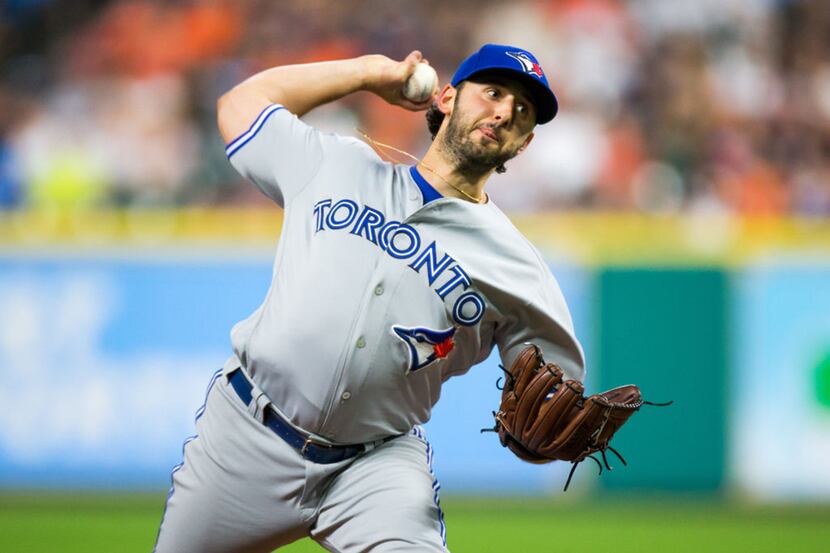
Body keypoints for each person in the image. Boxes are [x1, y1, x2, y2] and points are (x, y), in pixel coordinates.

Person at [154, 43, 585, 553]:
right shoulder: (335, 164)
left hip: (375, 467)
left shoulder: (518, 267)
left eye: (522, 111)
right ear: (447, 97)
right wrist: (365, 73)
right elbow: (239, 105)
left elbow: (558, 391)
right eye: (492, 93)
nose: (504, 112)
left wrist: (555, 416)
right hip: (246, 436)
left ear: (525, 143)